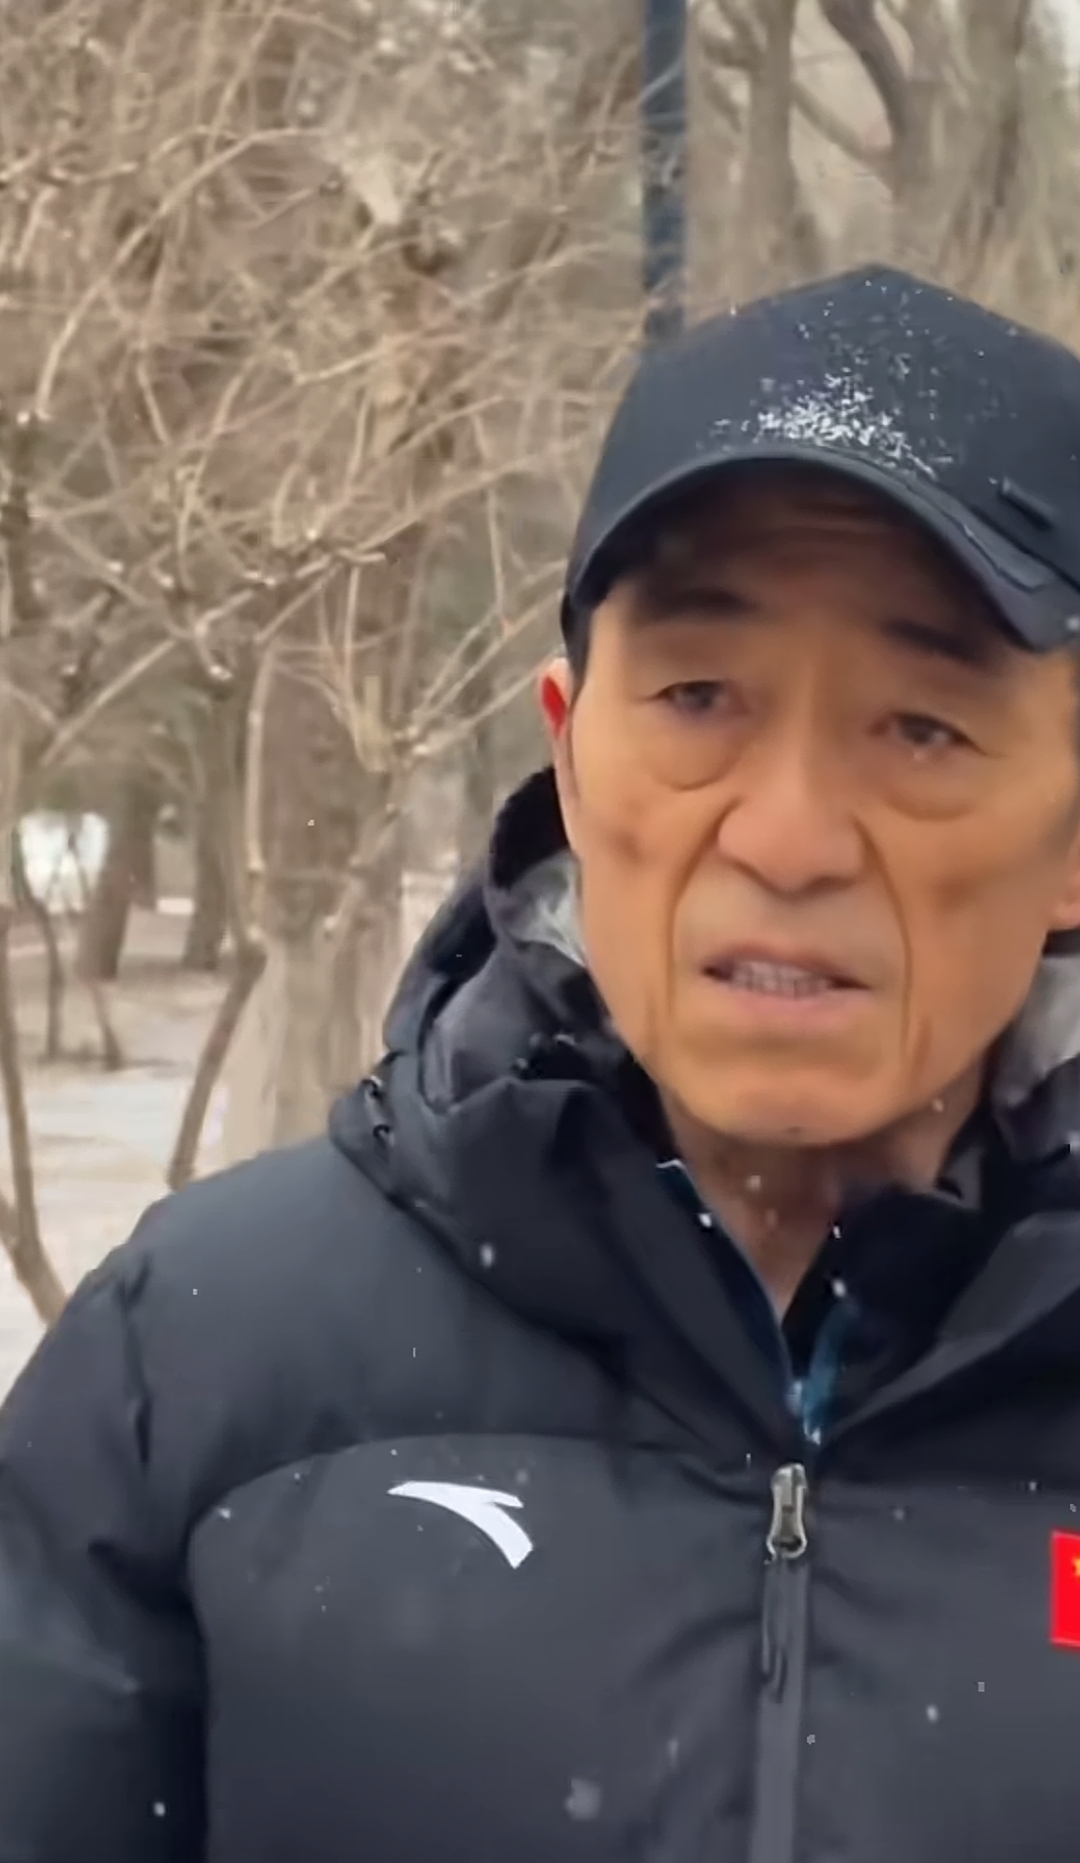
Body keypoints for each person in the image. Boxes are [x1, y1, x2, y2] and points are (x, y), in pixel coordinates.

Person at [5, 264, 1080, 1863]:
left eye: (921, 729)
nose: (787, 838)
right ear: (570, 756)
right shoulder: (204, 1367)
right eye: (698, 699)